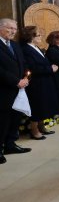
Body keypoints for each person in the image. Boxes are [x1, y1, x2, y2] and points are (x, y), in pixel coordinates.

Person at [0, 18, 31, 164]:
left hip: (19, 89)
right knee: (3, 120)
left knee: (15, 117)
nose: (13, 31)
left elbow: (23, 63)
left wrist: (25, 77)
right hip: (4, 90)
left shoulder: (15, 44)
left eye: (14, 29)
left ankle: (10, 144)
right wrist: (16, 81)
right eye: (9, 28)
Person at [20, 26, 59, 140]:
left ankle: (41, 126)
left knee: (43, 105)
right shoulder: (26, 49)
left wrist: (50, 67)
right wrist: (50, 69)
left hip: (44, 81)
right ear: (31, 37)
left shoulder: (36, 47)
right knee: (36, 106)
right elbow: (32, 68)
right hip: (36, 82)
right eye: (38, 35)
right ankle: (34, 130)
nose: (41, 37)